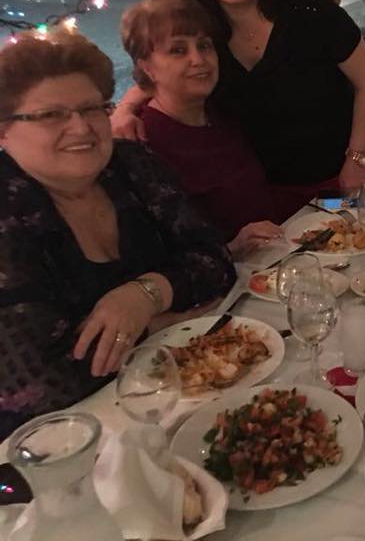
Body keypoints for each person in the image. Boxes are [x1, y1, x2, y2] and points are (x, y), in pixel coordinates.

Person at [0, 32, 235, 441]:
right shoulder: (7, 213)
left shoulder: (132, 164)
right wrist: (156, 328)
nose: (82, 127)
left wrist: (145, 294)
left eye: (92, 108)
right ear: (4, 130)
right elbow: (39, 387)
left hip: (183, 396)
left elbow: (215, 259)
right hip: (70, 445)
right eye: (52, 114)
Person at [111, 0, 365, 217]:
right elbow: (160, 72)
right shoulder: (201, 32)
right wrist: (125, 109)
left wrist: (355, 160)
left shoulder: (311, 11)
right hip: (262, 198)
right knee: (293, 246)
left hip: (336, 184)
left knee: (364, 231)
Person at [120, 0, 283, 258]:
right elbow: (156, 257)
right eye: (178, 50)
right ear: (147, 67)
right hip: (221, 278)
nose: (198, 59)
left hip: (275, 263)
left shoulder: (221, 114)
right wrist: (231, 250)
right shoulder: (143, 142)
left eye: (204, 45)